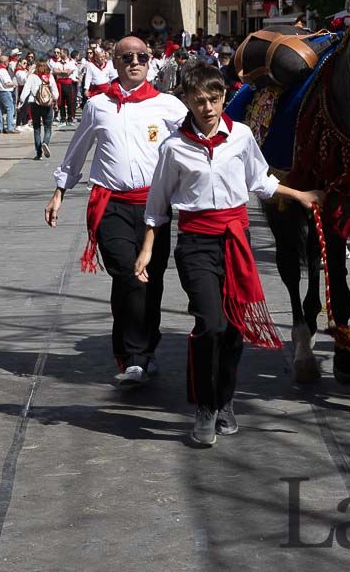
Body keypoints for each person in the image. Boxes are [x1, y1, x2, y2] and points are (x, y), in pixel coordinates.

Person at [136, 64, 323, 446]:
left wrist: (300, 195)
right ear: (186, 101)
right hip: (195, 243)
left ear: (223, 97)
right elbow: (158, 205)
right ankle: (205, 406)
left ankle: (225, 400)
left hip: (237, 240)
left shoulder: (241, 136)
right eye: (199, 100)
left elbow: (262, 181)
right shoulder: (173, 147)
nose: (208, 107)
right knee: (211, 324)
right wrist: (147, 249)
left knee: (235, 329)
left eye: (214, 99)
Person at [45, 37, 188, 387]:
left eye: (141, 57)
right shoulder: (98, 105)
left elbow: (195, 141)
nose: (134, 62)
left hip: (156, 209)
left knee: (149, 281)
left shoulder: (168, 105)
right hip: (112, 205)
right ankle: (131, 356)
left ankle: (146, 347)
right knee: (127, 275)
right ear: (115, 61)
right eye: (127, 57)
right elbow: (77, 151)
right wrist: (59, 192)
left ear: (150, 61)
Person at [20, 59, 59, 159]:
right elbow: (56, 94)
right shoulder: (50, 77)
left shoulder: (32, 77)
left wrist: (21, 101)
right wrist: (53, 100)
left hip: (35, 104)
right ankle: (45, 142)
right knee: (47, 128)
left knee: (37, 128)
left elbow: (26, 90)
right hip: (47, 105)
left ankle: (38, 153)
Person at [0, 57, 18, 134]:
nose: (8, 63)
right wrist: (14, 84)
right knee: (10, 108)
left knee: (0, 109)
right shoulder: (3, 71)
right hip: (5, 91)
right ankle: (10, 127)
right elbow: (7, 83)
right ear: (4, 62)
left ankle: (0, 127)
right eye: (7, 61)